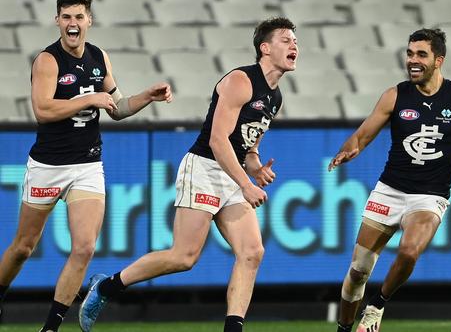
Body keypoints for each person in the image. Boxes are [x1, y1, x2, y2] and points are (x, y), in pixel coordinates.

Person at [78, 17, 298, 332]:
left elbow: (247, 148)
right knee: (184, 257)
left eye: (295, 41)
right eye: (286, 40)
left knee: (252, 252)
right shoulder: (241, 81)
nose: (294, 46)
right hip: (206, 167)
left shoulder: (275, 97)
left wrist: (256, 168)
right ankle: (107, 287)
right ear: (265, 48)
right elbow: (218, 140)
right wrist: (246, 184)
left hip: (231, 173)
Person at [0, 0, 172, 332]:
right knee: (23, 247)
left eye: (78, 17)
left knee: (84, 247)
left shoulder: (99, 58)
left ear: (89, 20)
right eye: (66, 17)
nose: (72, 23)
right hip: (48, 166)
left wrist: (147, 98)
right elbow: (43, 110)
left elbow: (118, 107)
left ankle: (50, 327)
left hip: (88, 165)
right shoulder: (47, 61)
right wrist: (88, 99)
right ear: (57, 21)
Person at [329, 28, 451, 332]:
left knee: (410, 251)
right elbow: (362, 135)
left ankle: (377, 305)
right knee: (358, 271)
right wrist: (348, 150)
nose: (413, 60)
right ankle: (344, 328)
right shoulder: (395, 95)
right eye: (410, 53)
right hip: (388, 191)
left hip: (429, 197)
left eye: (421, 54)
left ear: (438, 60)